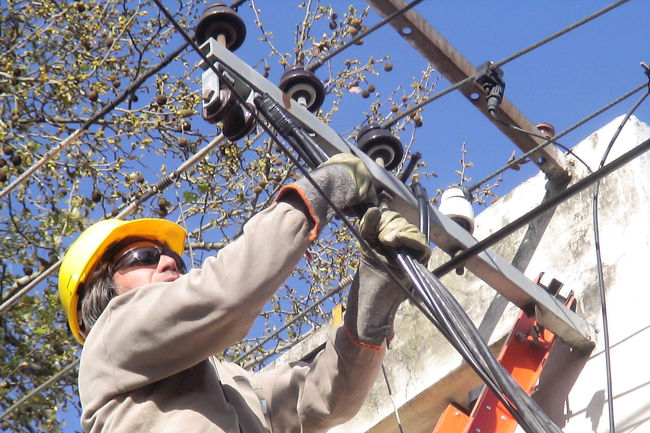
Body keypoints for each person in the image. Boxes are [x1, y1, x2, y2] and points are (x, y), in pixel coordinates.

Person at [58, 154, 431, 433]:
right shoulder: (109, 341)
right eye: (144, 257)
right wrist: (321, 190)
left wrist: (374, 296)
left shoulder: (232, 386)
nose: (170, 263)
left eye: (174, 257)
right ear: (99, 292)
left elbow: (322, 400)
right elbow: (227, 293)